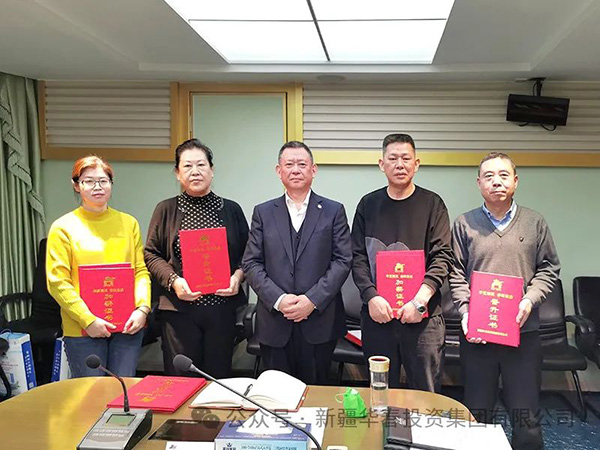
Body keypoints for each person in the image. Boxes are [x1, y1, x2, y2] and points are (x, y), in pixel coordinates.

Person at [450, 152, 560, 450]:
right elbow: (455, 273)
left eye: (503, 175)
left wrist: (529, 300)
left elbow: (549, 268)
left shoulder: (535, 222)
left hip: (523, 333)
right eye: (488, 176)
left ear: (515, 181)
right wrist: (466, 312)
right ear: (479, 183)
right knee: (477, 412)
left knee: (526, 415)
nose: (496, 181)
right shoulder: (464, 224)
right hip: (477, 335)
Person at [242, 141, 352, 385]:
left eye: (302, 164)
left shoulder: (333, 210)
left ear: (313, 170)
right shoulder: (263, 212)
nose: (295, 170)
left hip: (319, 323)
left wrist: (312, 300)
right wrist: (279, 300)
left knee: (316, 393)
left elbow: (343, 260)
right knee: (277, 395)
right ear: (278, 170)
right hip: (274, 323)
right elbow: (251, 262)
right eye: (289, 164)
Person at [351, 133, 452, 392]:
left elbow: (442, 256)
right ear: (381, 164)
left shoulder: (433, 204)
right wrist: (371, 296)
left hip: (423, 317)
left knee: (426, 394)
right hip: (378, 316)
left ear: (416, 164)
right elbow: (357, 257)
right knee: (381, 393)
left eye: (406, 158)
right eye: (393, 158)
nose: (400, 164)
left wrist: (419, 301)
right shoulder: (367, 205)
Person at [145, 139, 248, 377]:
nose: (195, 171)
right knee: (182, 379)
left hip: (221, 310)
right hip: (179, 310)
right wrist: (174, 281)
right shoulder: (165, 209)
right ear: (177, 173)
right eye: (187, 166)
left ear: (212, 170)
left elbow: (249, 252)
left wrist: (238, 276)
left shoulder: (231, 209)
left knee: (218, 378)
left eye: (201, 165)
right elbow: (151, 253)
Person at [46, 155, 151, 377]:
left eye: (103, 181)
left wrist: (142, 309)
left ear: (111, 184)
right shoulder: (63, 227)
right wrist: (88, 320)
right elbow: (57, 283)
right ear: (76, 185)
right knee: (91, 392)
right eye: (89, 181)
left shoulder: (129, 223)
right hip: (83, 329)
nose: (97, 187)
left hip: (128, 326)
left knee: (123, 389)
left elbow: (140, 272)